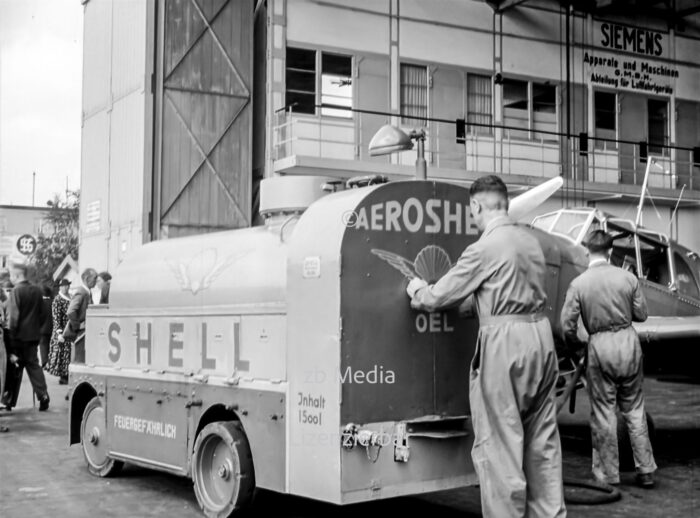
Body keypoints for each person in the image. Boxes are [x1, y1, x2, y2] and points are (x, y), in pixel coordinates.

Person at [407, 175, 566, 517]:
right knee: (543, 446)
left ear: (477, 205)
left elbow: (437, 297)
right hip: (540, 340)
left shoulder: (483, 248)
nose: (473, 219)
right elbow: (501, 293)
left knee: (500, 447)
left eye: (472, 212)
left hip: (504, 346)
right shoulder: (531, 244)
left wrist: (417, 290)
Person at [560, 229, 656, 488]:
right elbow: (642, 314)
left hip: (599, 348)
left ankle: (609, 475)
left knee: (604, 413)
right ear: (611, 251)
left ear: (587, 250)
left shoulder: (579, 284)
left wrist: (577, 347)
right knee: (635, 409)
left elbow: (566, 325)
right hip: (629, 344)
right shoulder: (627, 278)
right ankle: (646, 470)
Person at [7, 263, 50, 411]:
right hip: (33, 336)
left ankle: (8, 400)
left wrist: (11, 338)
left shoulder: (15, 292)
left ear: (18, 276)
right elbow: (43, 313)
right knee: (34, 366)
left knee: (14, 368)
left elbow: (13, 317)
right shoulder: (37, 290)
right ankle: (43, 395)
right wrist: (37, 328)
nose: (11, 278)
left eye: (12, 275)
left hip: (18, 337)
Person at [45, 278, 73, 384]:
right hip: (62, 330)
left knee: (68, 353)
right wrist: (59, 333)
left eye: (67, 285)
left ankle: (67, 375)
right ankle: (63, 376)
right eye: (64, 286)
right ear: (60, 287)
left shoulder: (70, 297)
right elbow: (56, 317)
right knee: (61, 354)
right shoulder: (57, 300)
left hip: (70, 329)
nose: (66, 287)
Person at [66, 268, 97, 364]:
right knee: (79, 359)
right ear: (87, 279)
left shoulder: (87, 292)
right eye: (94, 278)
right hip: (81, 333)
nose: (96, 281)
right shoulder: (81, 292)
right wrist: (77, 327)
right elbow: (71, 311)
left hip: (85, 331)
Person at [39, 284, 53, 368]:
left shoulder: (40, 303)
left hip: (42, 328)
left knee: (43, 346)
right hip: (52, 328)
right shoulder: (53, 302)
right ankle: (51, 362)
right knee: (51, 346)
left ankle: (45, 363)